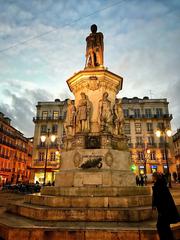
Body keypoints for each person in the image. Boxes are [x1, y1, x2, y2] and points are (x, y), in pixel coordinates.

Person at [152, 172, 179, 240]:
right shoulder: (161, 184)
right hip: (166, 210)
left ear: (155, 177)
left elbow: (158, 198)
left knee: (160, 226)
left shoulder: (158, 186)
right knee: (165, 226)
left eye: (153, 176)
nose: (152, 177)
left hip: (163, 210)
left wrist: (155, 205)